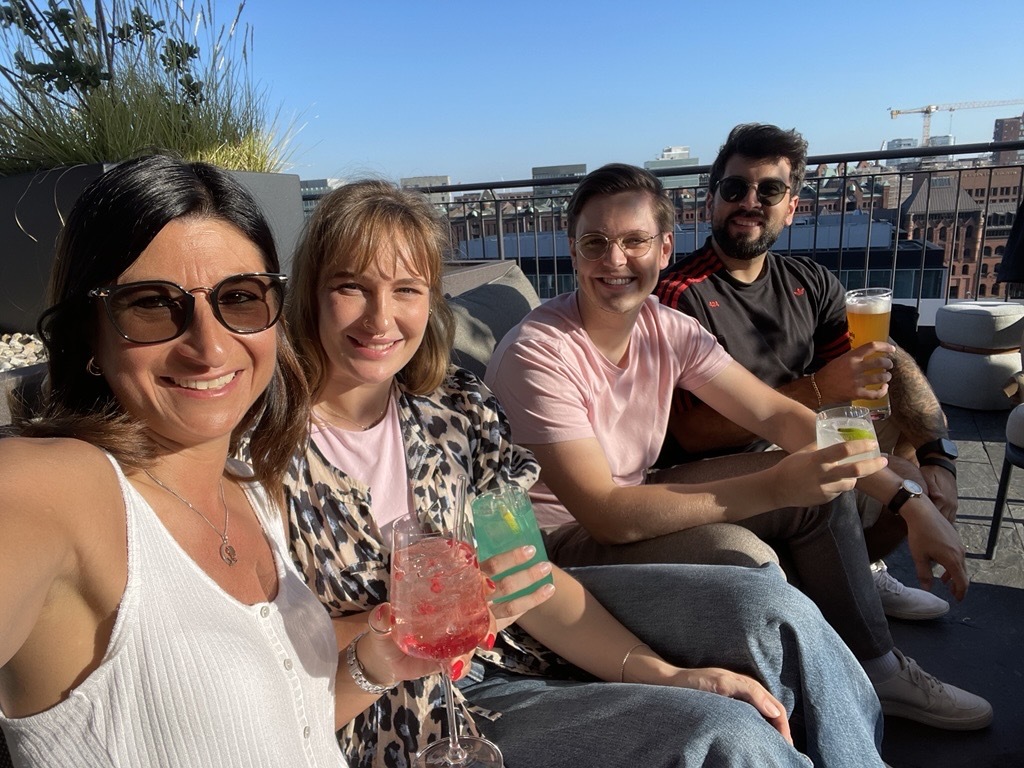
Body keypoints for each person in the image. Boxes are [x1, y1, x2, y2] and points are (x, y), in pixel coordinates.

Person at [282, 179, 886, 767]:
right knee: (726, 734)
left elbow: (528, 577)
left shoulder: (454, 413)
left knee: (772, 612)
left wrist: (664, 674)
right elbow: (261, 653)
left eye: (407, 290)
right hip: (397, 714)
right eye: (350, 287)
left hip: (511, 650)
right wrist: (402, 628)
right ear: (310, 292)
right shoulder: (268, 456)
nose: (381, 317)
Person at [485, 162, 992, 731]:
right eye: (595, 243)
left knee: (814, 486)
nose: (615, 260)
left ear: (665, 247)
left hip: (632, 494)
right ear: (574, 252)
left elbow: (778, 414)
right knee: (745, 554)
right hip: (557, 545)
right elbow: (605, 516)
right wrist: (777, 484)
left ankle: (877, 670)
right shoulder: (539, 353)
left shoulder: (666, 328)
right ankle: (792, 714)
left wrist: (908, 500)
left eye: (634, 241)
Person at [0, 155, 356, 766]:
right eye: (152, 305)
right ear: (91, 334)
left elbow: (283, 728)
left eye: (240, 298)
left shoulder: (248, 485)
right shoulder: (58, 491)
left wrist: (378, 658)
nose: (209, 346)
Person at [656, 123, 959, 622]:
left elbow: (881, 364)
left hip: (794, 430)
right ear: (712, 200)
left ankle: (857, 573)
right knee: (902, 482)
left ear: (792, 206)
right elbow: (690, 434)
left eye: (769, 190)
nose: (750, 201)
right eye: (735, 189)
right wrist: (821, 389)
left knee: (903, 421)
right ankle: (851, 597)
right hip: (725, 457)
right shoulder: (679, 294)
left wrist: (938, 457)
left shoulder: (808, 280)